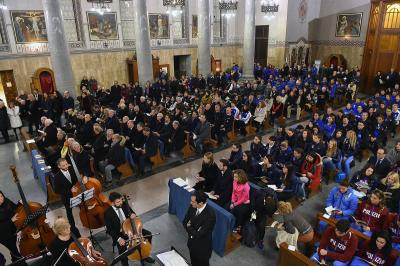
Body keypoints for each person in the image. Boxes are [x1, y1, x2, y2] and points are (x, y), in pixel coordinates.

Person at [104, 192, 155, 266]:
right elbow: (109, 229)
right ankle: (125, 264)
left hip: (132, 228)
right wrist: (118, 239)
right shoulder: (108, 213)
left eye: (121, 200)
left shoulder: (124, 204)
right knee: (123, 250)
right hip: (119, 234)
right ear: (112, 203)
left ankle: (144, 255)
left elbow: (133, 214)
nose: (121, 203)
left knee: (148, 234)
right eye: (118, 202)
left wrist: (133, 215)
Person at [183, 190, 216, 266]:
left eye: (193, 201)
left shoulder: (210, 215)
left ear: (200, 203)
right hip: (191, 244)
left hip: (202, 249)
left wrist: (189, 226)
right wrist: (192, 229)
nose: (190, 203)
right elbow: (184, 222)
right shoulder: (193, 207)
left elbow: (199, 234)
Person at [53, 158, 81, 237]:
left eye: (66, 164)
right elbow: (57, 190)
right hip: (66, 197)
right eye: (63, 165)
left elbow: (76, 180)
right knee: (69, 212)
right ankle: (73, 228)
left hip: (77, 193)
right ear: (59, 166)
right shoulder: (57, 177)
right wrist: (69, 190)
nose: (66, 166)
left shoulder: (71, 170)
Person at [0, 191, 26, 265]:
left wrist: (20, 203)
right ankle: (20, 263)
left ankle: (18, 261)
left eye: (1, 196)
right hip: (4, 235)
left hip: (14, 229)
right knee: (15, 252)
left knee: (18, 249)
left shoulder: (6, 201)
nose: (1, 198)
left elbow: (15, 209)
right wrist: (11, 220)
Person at [230, 169, 251, 234]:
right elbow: (233, 192)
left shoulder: (246, 186)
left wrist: (234, 204)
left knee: (238, 211)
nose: (234, 178)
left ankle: (238, 226)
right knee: (229, 207)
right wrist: (232, 201)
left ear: (241, 177)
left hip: (244, 202)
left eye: (236, 177)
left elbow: (243, 199)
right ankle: (231, 224)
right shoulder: (234, 181)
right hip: (236, 199)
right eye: (234, 176)